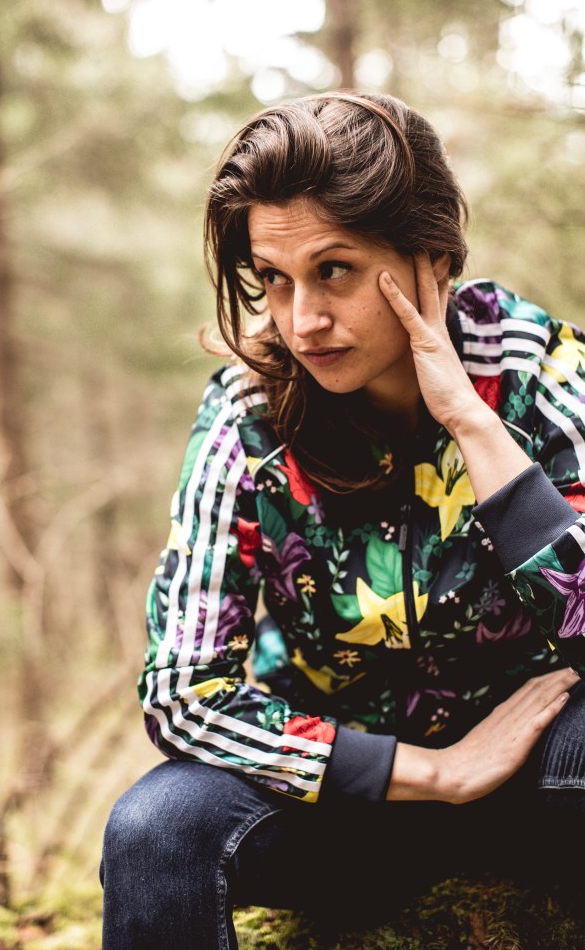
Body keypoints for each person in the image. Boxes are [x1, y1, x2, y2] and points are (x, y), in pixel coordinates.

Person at [100, 91, 585, 949]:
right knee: (153, 831)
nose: (303, 322)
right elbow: (180, 692)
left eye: (334, 270)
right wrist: (430, 771)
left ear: (432, 258)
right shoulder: (247, 414)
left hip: (538, 771)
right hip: (341, 792)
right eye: (274, 279)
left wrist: (473, 426)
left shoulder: (535, 371)